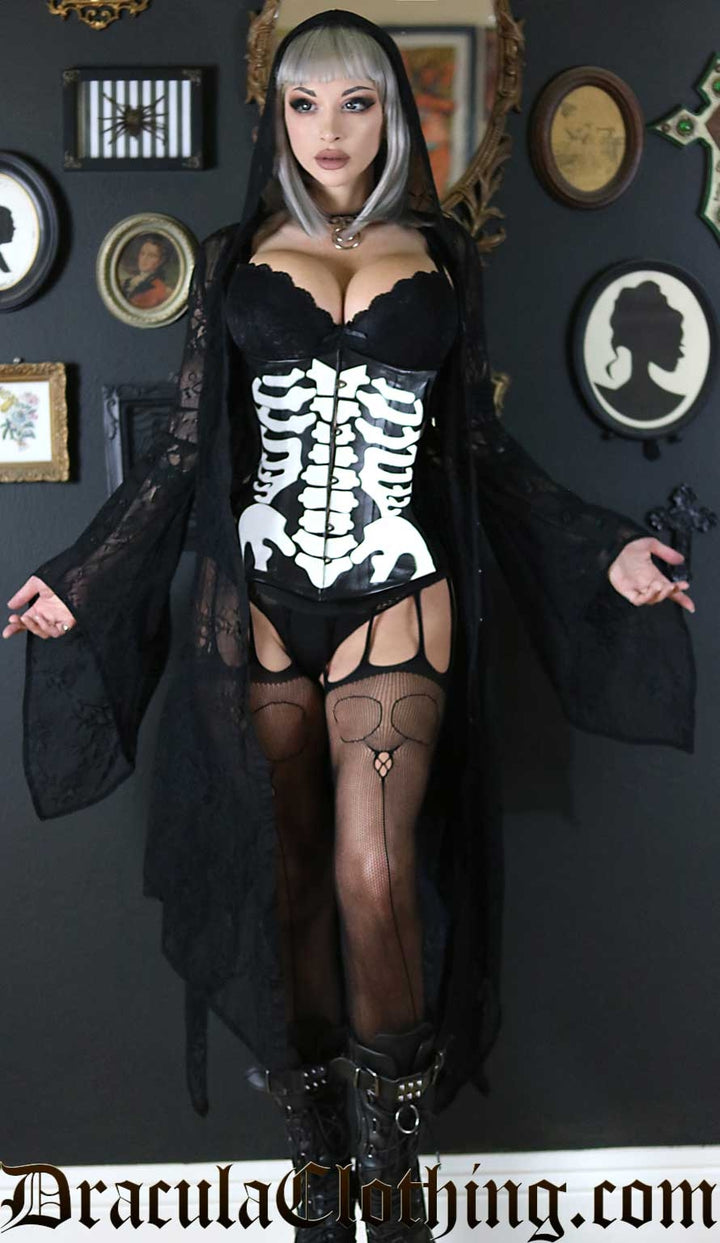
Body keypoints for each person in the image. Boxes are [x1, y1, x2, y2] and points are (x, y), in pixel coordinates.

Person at [4, 12, 696, 1243]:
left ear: (392, 116)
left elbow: (479, 446)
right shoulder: (231, 256)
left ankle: (393, 1166)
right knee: (286, 874)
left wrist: (605, 549)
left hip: (396, 593)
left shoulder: (443, 255)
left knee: (375, 874)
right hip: (258, 600)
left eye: (358, 103)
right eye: (305, 103)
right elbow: (184, 448)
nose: (330, 130)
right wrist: (83, 577)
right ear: (278, 116)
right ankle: (318, 1150)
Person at [120, 233, 173, 308]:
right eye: (142, 253)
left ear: (160, 261)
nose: (144, 259)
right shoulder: (125, 282)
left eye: (151, 255)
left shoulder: (162, 289)